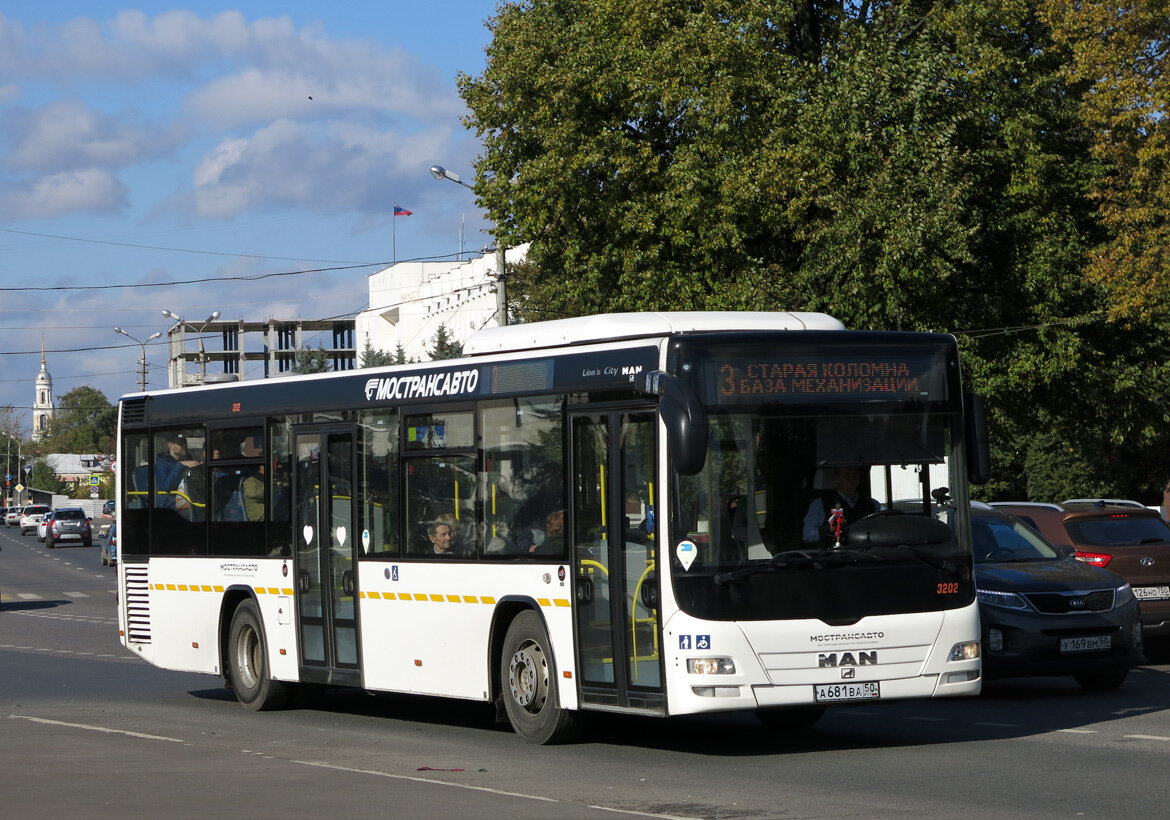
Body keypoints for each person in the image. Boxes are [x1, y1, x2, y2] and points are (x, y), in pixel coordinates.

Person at [802, 466, 880, 545]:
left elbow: (880, 532)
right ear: (836, 478)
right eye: (847, 476)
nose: (852, 479)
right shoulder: (820, 504)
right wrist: (830, 532)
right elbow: (808, 535)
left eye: (855, 475)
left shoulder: (873, 504)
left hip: (866, 554)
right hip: (834, 555)